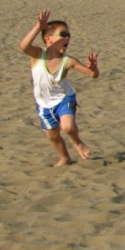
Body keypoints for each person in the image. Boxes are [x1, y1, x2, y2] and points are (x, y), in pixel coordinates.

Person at [19, 9, 100, 167]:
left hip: (64, 99)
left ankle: (77, 143)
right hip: (43, 104)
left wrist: (94, 67)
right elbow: (23, 46)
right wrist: (38, 27)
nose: (67, 37)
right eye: (63, 35)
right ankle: (65, 158)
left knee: (67, 127)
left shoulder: (68, 61)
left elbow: (92, 75)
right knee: (53, 136)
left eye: (69, 35)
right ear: (48, 39)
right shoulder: (37, 55)